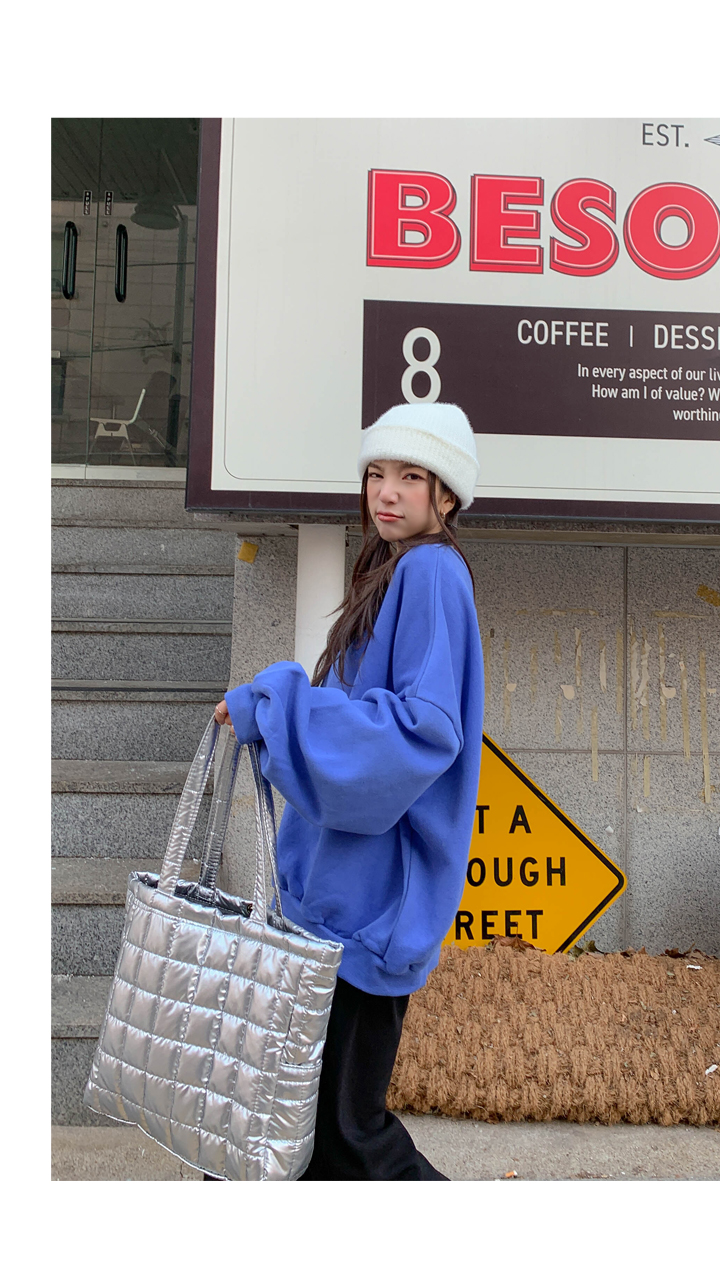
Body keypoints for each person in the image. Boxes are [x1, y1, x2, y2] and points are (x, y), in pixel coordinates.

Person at [212, 402, 485, 1180]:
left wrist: (278, 705)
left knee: (345, 1135)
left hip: (368, 905)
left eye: (411, 477)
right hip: (350, 901)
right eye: (376, 474)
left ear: (447, 494)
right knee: (311, 1134)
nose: (386, 492)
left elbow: (419, 732)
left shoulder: (430, 571)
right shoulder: (395, 568)